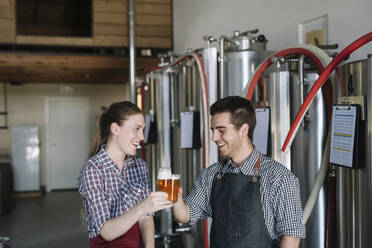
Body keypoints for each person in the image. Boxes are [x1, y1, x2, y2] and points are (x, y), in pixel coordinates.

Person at [173, 96, 305, 248]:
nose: (214, 137)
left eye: (221, 131)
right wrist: (175, 198)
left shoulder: (279, 177)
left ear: (243, 130)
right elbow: (187, 215)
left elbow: (291, 236)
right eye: (213, 130)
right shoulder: (212, 175)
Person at [77, 101, 172, 248]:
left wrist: (150, 246)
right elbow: (107, 232)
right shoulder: (92, 170)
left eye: (143, 130)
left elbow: (146, 218)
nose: (141, 137)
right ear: (115, 129)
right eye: (136, 129)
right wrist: (143, 207)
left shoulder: (139, 166)